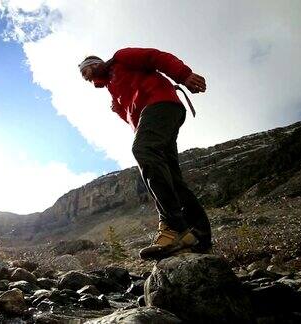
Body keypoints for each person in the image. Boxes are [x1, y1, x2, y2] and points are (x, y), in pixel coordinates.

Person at [78, 48, 212, 259]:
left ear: (94, 64)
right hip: (156, 116)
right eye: (82, 74)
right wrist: (120, 109)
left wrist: (183, 75)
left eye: (84, 70)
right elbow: (134, 120)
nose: (84, 76)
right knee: (172, 178)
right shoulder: (112, 90)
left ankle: (174, 226)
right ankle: (199, 238)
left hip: (161, 104)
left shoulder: (121, 59)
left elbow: (155, 57)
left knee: (143, 149)